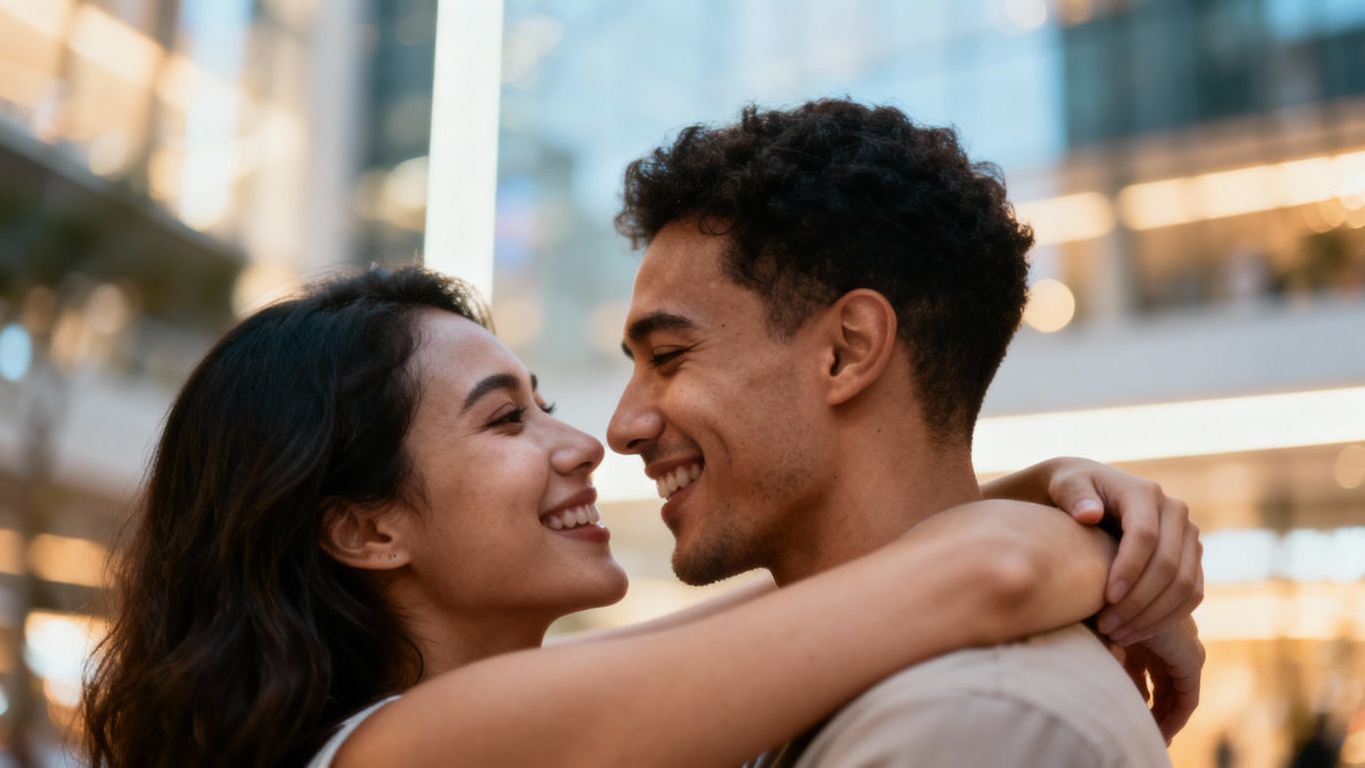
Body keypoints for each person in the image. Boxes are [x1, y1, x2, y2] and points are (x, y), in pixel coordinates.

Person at [82, 267, 1197, 767]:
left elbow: (810, 597)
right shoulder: (405, 750)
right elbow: (983, 576)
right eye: (503, 420)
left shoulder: (471, 721)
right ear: (366, 531)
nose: (585, 441)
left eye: (544, 404)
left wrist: (1057, 490)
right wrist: (1103, 539)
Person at [608, 99, 1203, 766]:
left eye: (666, 357)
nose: (621, 428)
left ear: (847, 351)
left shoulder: (971, 725)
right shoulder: (842, 689)